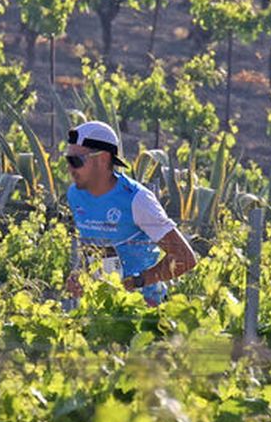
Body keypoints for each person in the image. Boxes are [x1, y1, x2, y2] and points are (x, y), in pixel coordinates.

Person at [63, 120, 198, 305]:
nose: (70, 168)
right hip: (98, 308)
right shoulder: (74, 195)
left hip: (141, 310)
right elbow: (92, 247)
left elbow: (184, 258)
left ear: (103, 159)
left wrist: (136, 282)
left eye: (76, 161)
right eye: (68, 160)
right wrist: (79, 275)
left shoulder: (138, 199)